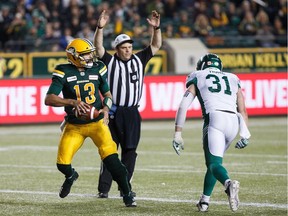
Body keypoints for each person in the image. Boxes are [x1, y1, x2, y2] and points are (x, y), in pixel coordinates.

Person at [44, 38, 136, 207]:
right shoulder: (63, 71)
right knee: (62, 164)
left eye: (90, 54)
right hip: (74, 126)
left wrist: (106, 109)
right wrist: (73, 102)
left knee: (113, 161)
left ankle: (127, 193)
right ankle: (71, 175)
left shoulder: (98, 68)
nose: (90, 58)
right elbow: (49, 99)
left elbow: (107, 95)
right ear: (73, 56)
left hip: (97, 123)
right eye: (85, 55)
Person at [93, 9, 162, 198]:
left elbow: (156, 45)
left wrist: (156, 29)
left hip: (132, 113)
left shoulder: (140, 59)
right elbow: (98, 48)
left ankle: (125, 187)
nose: (128, 50)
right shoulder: (109, 61)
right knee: (109, 151)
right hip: (112, 112)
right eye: (124, 47)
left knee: (130, 151)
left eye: (129, 46)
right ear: (117, 49)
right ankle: (103, 189)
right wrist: (100, 28)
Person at [172, 53, 251, 212]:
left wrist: (178, 133)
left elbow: (183, 106)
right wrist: (245, 133)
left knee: (214, 164)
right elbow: (242, 110)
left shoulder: (198, 75)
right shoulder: (233, 78)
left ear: (202, 66)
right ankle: (204, 201)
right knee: (215, 163)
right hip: (234, 122)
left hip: (215, 118)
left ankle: (228, 184)